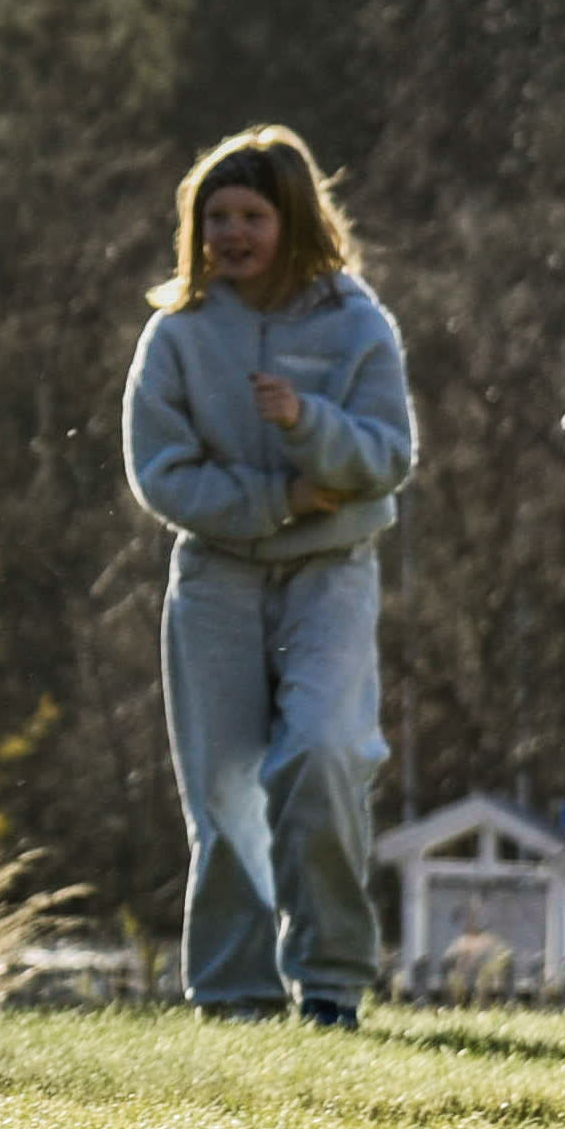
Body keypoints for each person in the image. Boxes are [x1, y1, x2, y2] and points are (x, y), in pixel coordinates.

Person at [120, 124, 415, 1027]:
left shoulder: (354, 321)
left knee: (322, 751)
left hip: (330, 573)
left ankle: (330, 979)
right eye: (215, 217)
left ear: (294, 219)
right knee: (224, 787)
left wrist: (307, 422)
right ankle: (234, 991)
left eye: (251, 215)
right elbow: (158, 473)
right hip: (216, 576)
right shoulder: (175, 331)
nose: (231, 234)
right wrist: (275, 497)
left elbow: (388, 454)